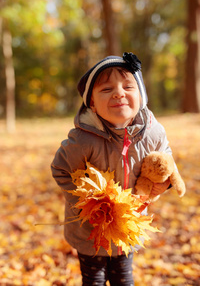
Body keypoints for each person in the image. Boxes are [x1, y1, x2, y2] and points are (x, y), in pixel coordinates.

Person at [51, 52, 172, 285]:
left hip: (128, 224)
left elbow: (165, 157)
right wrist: (85, 203)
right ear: (92, 104)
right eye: (106, 89)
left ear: (141, 96)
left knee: (123, 277)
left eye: (128, 86)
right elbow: (60, 169)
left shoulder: (153, 132)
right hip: (89, 228)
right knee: (94, 278)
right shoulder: (83, 139)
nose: (118, 93)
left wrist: (161, 182)